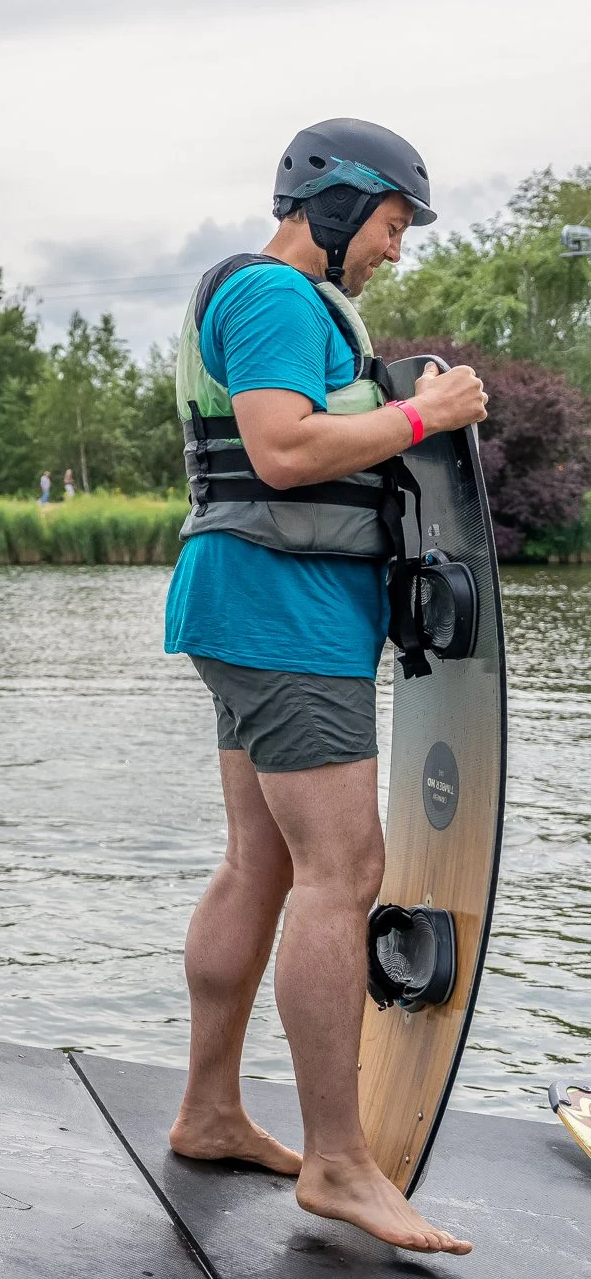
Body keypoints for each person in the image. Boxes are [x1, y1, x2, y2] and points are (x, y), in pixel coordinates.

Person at [163, 119, 487, 1255]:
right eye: (394, 224)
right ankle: (340, 1162)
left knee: (264, 861)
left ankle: (209, 1108)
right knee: (343, 870)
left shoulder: (291, 307)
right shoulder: (272, 296)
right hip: (279, 607)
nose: (397, 249)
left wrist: (395, 402)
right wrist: (423, 416)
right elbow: (281, 449)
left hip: (264, 602)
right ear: (342, 205)